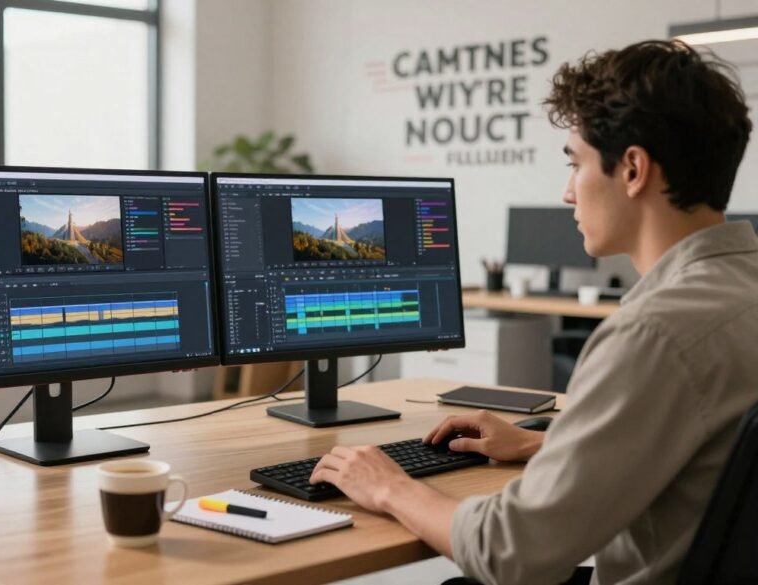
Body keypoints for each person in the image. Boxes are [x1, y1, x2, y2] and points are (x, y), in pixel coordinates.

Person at [310, 39, 757, 585]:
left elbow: (512, 553)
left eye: (576, 163)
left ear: (634, 169)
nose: (569, 192)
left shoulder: (653, 335)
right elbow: (710, 450)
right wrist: (545, 444)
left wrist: (389, 485)